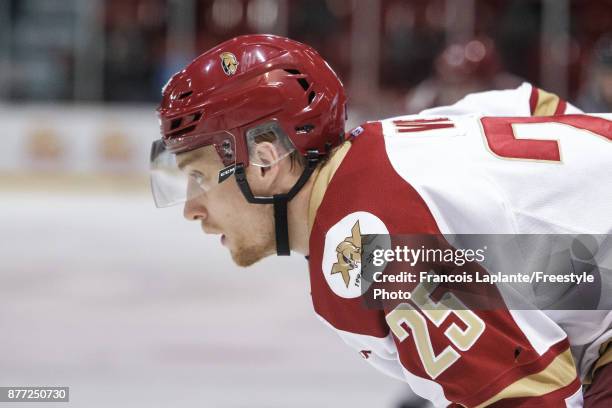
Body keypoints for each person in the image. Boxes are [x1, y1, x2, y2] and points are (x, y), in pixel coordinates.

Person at [149, 35, 612, 407]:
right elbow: (538, 107)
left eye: (199, 177)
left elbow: (530, 395)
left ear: (265, 161)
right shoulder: (385, 144)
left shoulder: (365, 244)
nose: (192, 207)